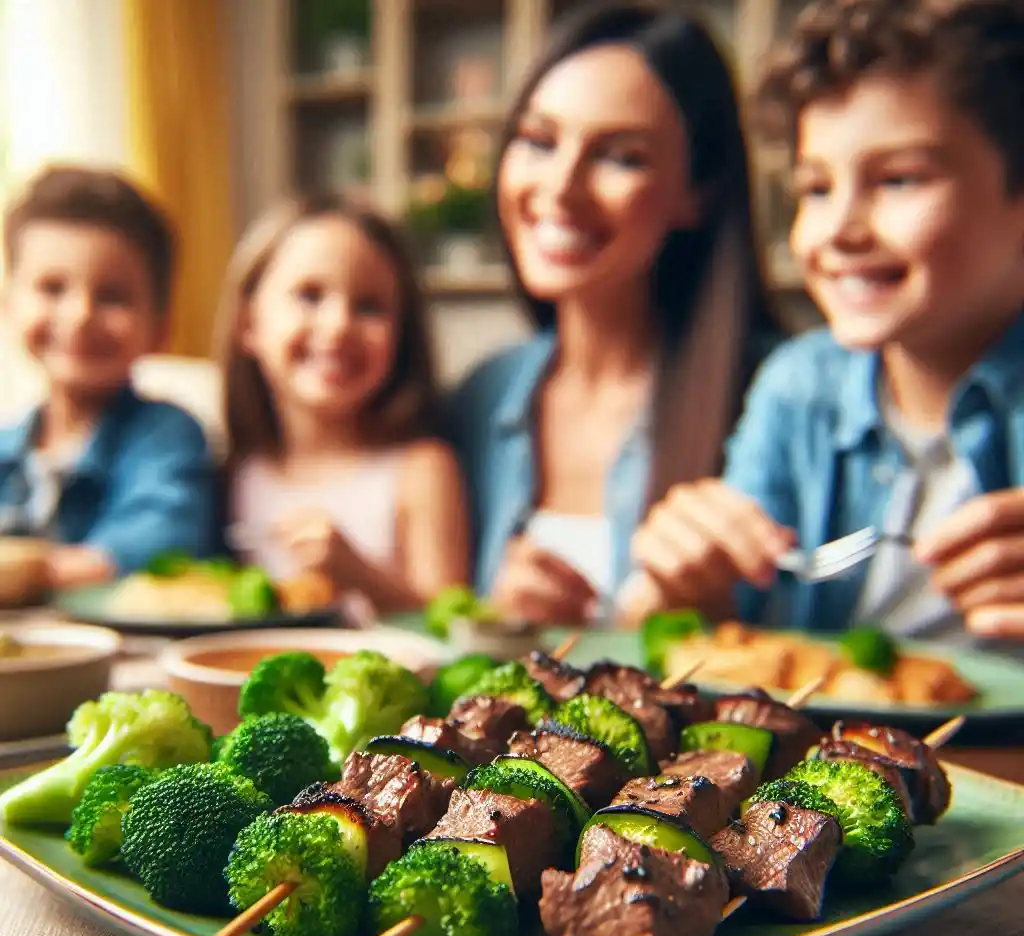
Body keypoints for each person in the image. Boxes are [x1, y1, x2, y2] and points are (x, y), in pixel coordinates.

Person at [626, 0, 1024, 645]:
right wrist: (675, 585)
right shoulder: (801, 385)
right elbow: (719, 627)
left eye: (898, 180)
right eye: (815, 189)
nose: (837, 230)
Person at [447, 0, 783, 626]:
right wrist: (494, 620)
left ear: (698, 194)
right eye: (539, 141)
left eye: (621, 157)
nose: (561, 188)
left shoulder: (780, 398)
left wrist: (710, 609)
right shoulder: (479, 398)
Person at [217, 194, 468, 616]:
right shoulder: (238, 471)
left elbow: (451, 622)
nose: (338, 326)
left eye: (369, 307)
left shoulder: (422, 469)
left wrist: (361, 577)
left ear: (402, 335)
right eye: (310, 296)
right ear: (247, 322)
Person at [0, 165, 218, 588]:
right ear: (8, 306)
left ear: (160, 328)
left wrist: (34, 573)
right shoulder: (7, 445)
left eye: (113, 296)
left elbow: (159, 546)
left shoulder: (167, 437)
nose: (80, 315)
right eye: (52, 288)